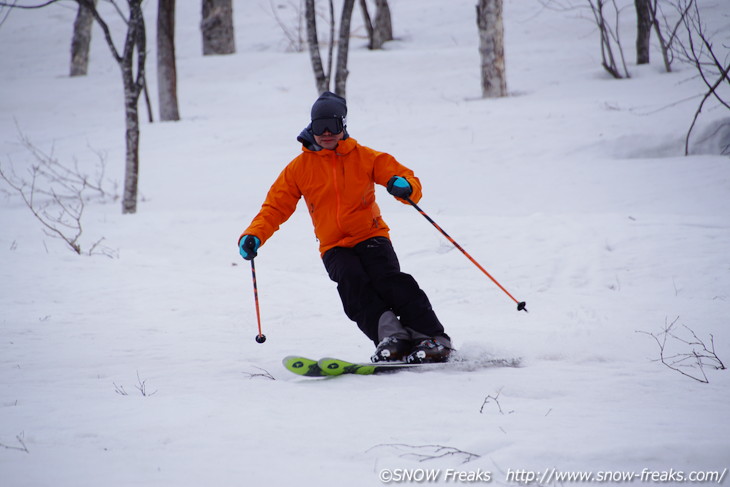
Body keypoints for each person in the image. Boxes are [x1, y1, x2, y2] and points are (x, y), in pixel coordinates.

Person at [238, 91, 451, 363]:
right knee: (353, 286)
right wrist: (254, 234)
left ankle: (432, 338)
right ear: (310, 127)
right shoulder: (298, 169)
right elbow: (275, 207)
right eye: (319, 127)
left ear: (344, 127)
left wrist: (405, 187)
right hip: (334, 246)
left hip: (371, 235)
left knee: (391, 282)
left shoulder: (365, 157)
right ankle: (392, 339)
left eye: (333, 126)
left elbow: (406, 178)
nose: (326, 133)